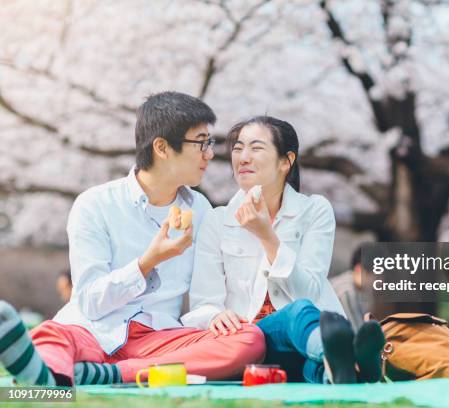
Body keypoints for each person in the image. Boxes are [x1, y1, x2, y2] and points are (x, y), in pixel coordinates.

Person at [0, 92, 265, 387]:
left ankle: (99, 375)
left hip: (158, 339)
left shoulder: (201, 210)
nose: (209, 154)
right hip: (91, 330)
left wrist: (215, 315)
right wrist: (147, 262)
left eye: (210, 143)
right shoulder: (95, 203)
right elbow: (89, 302)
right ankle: (50, 382)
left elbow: (208, 292)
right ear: (162, 147)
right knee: (55, 337)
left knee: (249, 339)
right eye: (200, 143)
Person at [182, 116, 385, 384]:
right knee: (296, 314)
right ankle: (349, 355)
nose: (243, 157)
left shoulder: (314, 211)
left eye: (256, 148)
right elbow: (203, 302)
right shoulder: (218, 220)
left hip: (302, 345)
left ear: (285, 161)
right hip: (250, 341)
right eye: (238, 148)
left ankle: (343, 371)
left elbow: (309, 290)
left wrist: (268, 238)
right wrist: (215, 315)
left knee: (309, 352)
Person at [330, 244, 374, 330]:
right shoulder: (347, 292)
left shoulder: (354, 287)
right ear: (359, 270)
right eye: (375, 275)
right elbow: (359, 334)